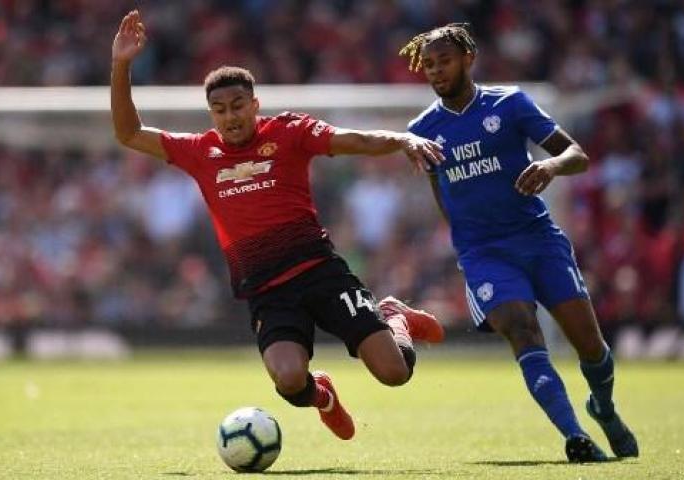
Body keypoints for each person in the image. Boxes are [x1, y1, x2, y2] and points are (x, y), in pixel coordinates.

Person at [110, 10, 446, 441]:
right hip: (268, 291)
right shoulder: (199, 151)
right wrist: (121, 65)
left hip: (321, 273)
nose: (230, 117)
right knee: (288, 380)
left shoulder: (289, 132)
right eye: (219, 110)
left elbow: (354, 140)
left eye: (237, 106)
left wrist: (402, 139)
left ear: (254, 105)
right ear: (210, 113)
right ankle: (323, 397)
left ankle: (394, 316)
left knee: (394, 373)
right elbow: (128, 132)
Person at [400, 23, 639, 462]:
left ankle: (602, 406)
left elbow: (576, 155)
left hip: (538, 240)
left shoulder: (510, 104)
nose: (435, 71)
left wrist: (550, 168)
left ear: (468, 58)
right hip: (484, 254)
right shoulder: (423, 129)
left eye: (444, 60)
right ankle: (575, 438)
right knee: (522, 329)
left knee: (590, 346)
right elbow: (443, 196)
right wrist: (467, 244)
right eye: (428, 65)